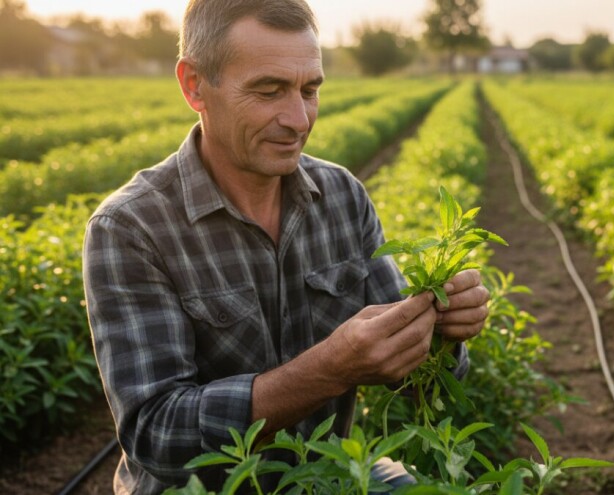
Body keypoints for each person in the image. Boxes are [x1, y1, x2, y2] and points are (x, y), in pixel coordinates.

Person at [81, 0, 490, 493]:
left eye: (310, 90)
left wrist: (442, 332)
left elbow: (415, 378)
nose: (298, 119)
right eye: (269, 90)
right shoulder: (130, 227)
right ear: (194, 85)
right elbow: (157, 435)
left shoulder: (342, 196)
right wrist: (326, 370)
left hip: (325, 472)